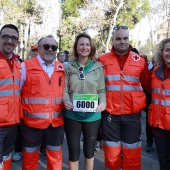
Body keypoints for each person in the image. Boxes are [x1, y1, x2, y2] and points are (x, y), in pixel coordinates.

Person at [98, 26, 151, 170]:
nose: (122, 41)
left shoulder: (140, 61)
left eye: (125, 38)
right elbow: (95, 85)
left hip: (133, 116)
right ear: (113, 40)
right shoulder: (101, 60)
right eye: (118, 38)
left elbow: (149, 86)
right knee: (112, 153)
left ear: (129, 39)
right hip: (110, 115)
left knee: (132, 152)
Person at [20, 35, 65, 170]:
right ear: (39, 48)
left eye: (54, 47)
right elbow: (17, 93)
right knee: (29, 159)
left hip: (56, 124)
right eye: (46, 46)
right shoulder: (25, 66)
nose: (50, 50)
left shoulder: (62, 68)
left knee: (55, 160)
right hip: (31, 124)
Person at [63, 33, 106, 170]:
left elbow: (101, 90)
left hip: (92, 116)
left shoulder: (98, 67)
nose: (84, 47)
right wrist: (66, 100)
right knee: (73, 153)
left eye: (87, 44)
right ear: (76, 47)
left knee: (89, 152)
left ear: (91, 47)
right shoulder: (68, 67)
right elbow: (64, 89)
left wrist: (103, 103)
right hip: (72, 115)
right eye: (81, 44)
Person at [0, 24, 21, 169]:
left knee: (7, 157)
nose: (9, 41)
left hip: (13, 124)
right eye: (5, 36)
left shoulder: (19, 64)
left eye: (13, 38)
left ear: (17, 42)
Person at [148, 38, 170, 170]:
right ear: (161, 52)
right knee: (163, 160)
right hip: (158, 124)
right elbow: (146, 88)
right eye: (167, 50)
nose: (169, 53)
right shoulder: (154, 72)